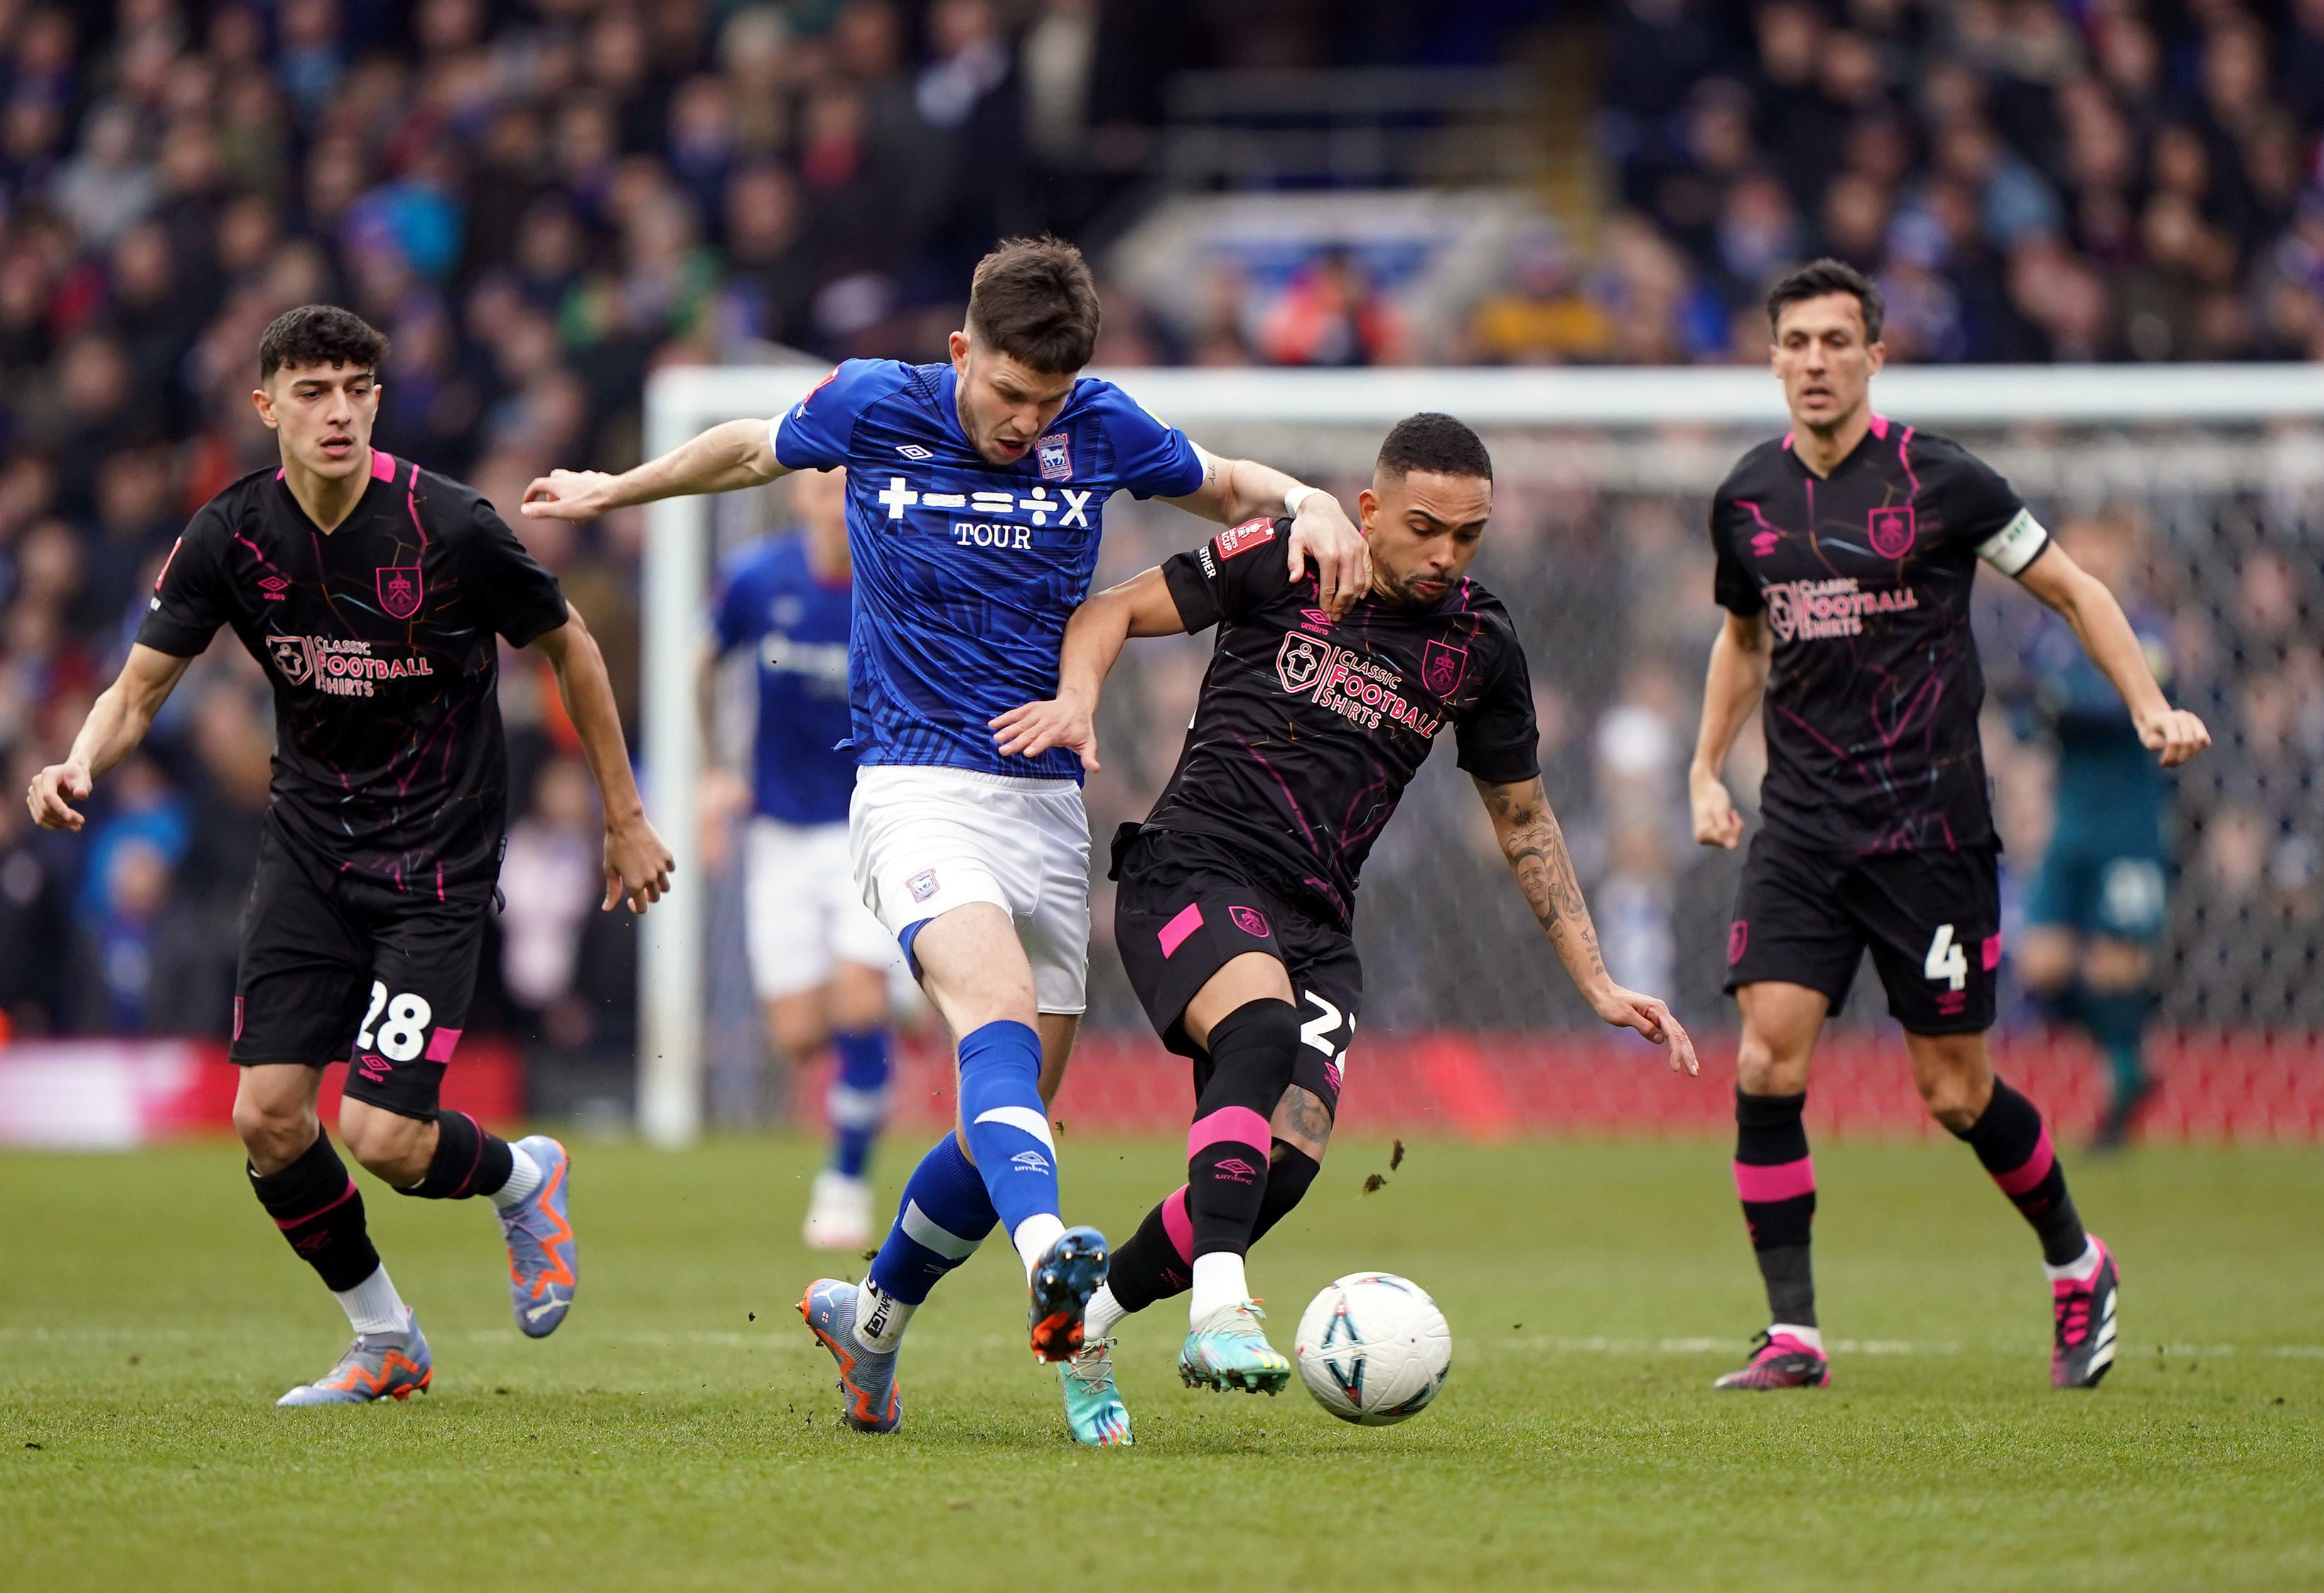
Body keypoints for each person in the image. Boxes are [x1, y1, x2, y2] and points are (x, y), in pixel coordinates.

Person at [518, 236, 1371, 1444]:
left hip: (1042, 802)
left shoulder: (1104, 425)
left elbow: (1229, 484)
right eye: (1009, 392)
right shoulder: (878, 403)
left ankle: (869, 1322)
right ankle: (1054, 1270)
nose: (1026, 421)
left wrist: (1314, 498)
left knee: (998, 1118)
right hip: (913, 785)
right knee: (999, 1018)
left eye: (1048, 400)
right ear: (963, 352)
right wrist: (617, 488)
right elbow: (748, 450)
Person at [993, 412, 1696, 1437]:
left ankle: (1084, 1319)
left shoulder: (1480, 644)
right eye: (1425, 528)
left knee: (1284, 1167)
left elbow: (1523, 814)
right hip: (1192, 865)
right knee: (1260, 1035)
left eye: (1470, 535)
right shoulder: (1286, 559)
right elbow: (1106, 614)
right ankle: (1220, 1309)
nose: (1447, 555)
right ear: (1370, 511)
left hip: (1316, 919)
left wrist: (1596, 979)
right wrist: (1077, 703)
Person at [28, 306, 673, 1405]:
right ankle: (386, 1338)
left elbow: (573, 644)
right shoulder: (232, 534)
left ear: (379, 397)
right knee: (268, 1117)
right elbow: (141, 686)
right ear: (265, 405)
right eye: (314, 390)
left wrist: (625, 813)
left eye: (357, 388)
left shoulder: (452, 527)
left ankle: (523, 1174)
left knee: (383, 1134)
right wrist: (79, 760)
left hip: (436, 859)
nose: (338, 411)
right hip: (309, 849)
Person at [1687, 259, 2210, 1394]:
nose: (1815, 362)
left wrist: (2147, 703)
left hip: (1930, 833)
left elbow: (2074, 588)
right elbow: (1742, 637)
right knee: (1768, 1055)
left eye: (1837, 341)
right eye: (1796, 343)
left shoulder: (1944, 480)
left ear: (1876, 355)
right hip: (1802, 831)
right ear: (1771, 357)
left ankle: (2078, 1260)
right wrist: (1702, 769)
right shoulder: (1744, 499)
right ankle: (1795, 1334)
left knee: (1955, 1092)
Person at [706, 466, 905, 1248]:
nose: (836, 505)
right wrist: (713, 774)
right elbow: (701, 664)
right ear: (799, 496)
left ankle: (845, 1181)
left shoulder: (896, 582)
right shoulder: (756, 579)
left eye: (850, 490)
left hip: (872, 820)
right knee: (798, 1035)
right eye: (824, 489)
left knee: (858, 1000)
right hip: (778, 830)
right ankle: (904, 996)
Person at [2011, 515, 2174, 1149]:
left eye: (2105, 546)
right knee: (2042, 967)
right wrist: (2044, 706)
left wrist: (2053, 702)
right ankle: (2129, 1059)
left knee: (2116, 968)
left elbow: (2123, 707)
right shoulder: (2049, 633)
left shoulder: (2149, 630)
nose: (2091, 558)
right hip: (2071, 824)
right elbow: (2028, 720)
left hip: (2130, 826)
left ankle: (2119, 1103)